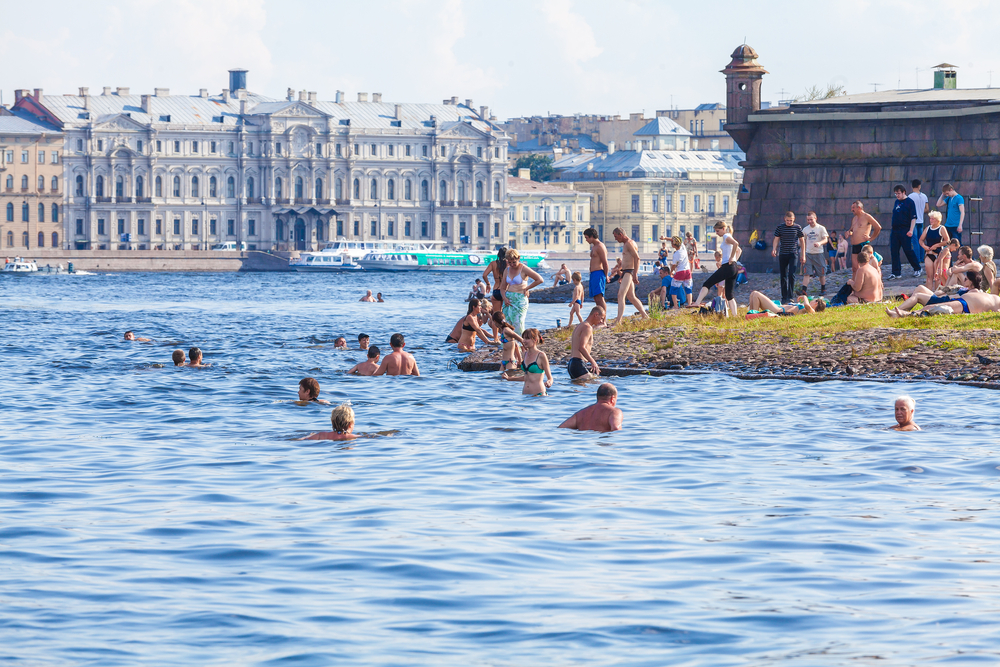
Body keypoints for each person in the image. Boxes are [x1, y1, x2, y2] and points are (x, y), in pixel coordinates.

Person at [689, 221, 742, 317]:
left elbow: (736, 244)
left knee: (707, 283)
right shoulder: (729, 235)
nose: (716, 233)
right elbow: (739, 250)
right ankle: (735, 316)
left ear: (723, 229)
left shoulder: (726, 236)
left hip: (728, 266)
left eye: (717, 231)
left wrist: (730, 259)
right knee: (729, 295)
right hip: (733, 267)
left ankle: (697, 302)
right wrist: (734, 260)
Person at [886, 272, 1000, 317]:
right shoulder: (993, 297)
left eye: (966, 279)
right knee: (930, 307)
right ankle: (902, 313)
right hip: (966, 302)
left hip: (966, 304)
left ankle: (904, 314)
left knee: (931, 308)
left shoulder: (988, 295)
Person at [610, 227, 649, 326]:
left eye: (616, 236)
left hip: (630, 272)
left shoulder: (629, 243)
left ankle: (618, 321)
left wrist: (635, 274)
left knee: (620, 295)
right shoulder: (628, 243)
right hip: (626, 272)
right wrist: (622, 275)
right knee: (631, 296)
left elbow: (637, 258)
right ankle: (645, 315)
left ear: (621, 235)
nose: (615, 239)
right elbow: (628, 260)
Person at [500, 248, 543, 335]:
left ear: (518, 258)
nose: (512, 264)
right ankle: (509, 345)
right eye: (509, 262)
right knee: (506, 324)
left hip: (520, 299)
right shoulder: (507, 270)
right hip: (508, 299)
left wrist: (527, 288)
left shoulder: (523, 269)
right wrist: (504, 298)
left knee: (518, 323)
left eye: (514, 262)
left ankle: (521, 344)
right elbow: (502, 287)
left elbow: (539, 279)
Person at [503, 328, 553, 396]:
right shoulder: (525, 354)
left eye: (527, 338)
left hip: (539, 396)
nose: (524, 341)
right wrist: (509, 379)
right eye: (523, 338)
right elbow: (527, 377)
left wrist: (549, 382)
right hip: (525, 396)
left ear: (535, 340)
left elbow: (550, 378)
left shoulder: (541, 355)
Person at [887, 184, 922, 280]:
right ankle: (896, 272)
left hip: (905, 230)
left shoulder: (910, 202)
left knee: (908, 250)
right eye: (895, 194)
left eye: (898, 193)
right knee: (894, 251)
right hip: (895, 230)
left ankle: (917, 268)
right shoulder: (896, 202)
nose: (897, 195)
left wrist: (911, 230)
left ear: (904, 192)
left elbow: (913, 218)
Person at [558, 382, 623, 432]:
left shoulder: (580, 414)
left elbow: (561, 429)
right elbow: (616, 429)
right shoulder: (614, 412)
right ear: (613, 398)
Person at [771, 211, 805, 303]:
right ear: (784, 219)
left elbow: (802, 241)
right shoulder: (780, 227)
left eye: (790, 220)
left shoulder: (797, 227)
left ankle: (790, 296)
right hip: (783, 253)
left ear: (794, 219)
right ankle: (784, 296)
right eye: (787, 220)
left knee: (791, 275)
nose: (789, 222)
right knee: (783, 276)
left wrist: (803, 255)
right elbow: (776, 239)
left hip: (793, 254)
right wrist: (774, 249)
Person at [847, 200, 882, 277]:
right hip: (855, 246)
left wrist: (871, 238)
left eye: (853, 208)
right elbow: (852, 230)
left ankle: (874, 281)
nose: (851, 210)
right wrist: (849, 233)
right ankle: (856, 286)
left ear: (859, 208)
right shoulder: (854, 219)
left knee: (867, 266)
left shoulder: (867, 216)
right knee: (855, 268)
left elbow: (878, 227)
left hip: (863, 245)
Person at [568, 306, 604, 380]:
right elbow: (581, 347)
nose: (602, 322)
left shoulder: (581, 325)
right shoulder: (587, 327)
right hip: (578, 363)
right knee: (595, 384)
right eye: (601, 318)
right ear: (596, 314)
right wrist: (593, 362)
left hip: (572, 363)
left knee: (579, 389)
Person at [919, 210, 951, 290]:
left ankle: (937, 293)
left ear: (937, 220)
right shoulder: (927, 228)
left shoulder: (941, 228)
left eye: (933, 219)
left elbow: (947, 241)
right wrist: (924, 246)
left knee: (937, 276)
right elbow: (921, 240)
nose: (931, 220)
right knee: (929, 276)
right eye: (930, 219)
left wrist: (937, 245)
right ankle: (928, 294)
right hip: (929, 253)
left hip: (938, 254)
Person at [800, 211, 830, 295]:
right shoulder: (805, 229)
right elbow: (803, 242)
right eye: (808, 220)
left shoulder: (821, 228)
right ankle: (804, 290)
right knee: (807, 273)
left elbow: (826, 239)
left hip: (818, 253)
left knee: (821, 273)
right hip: (808, 254)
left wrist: (819, 243)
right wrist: (802, 254)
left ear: (815, 218)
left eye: (811, 219)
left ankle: (823, 288)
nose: (809, 221)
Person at [584, 228, 609, 316]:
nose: (586, 240)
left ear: (592, 236)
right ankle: (600, 318)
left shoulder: (600, 246)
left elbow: (605, 263)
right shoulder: (594, 246)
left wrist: (606, 276)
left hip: (599, 273)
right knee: (596, 298)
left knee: (600, 298)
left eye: (587, 238)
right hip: (593, 274)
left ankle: (604, 320)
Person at [747, 291, 826, 316]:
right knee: (753, 294)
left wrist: (804, 297)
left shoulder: (812, 311)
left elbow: (807, 306)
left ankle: (754, 316)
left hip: (778, 310)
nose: (810, 300)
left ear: (816, 303)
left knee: (756, 294)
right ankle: (751, 314)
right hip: (778, 307)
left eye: (813, 300)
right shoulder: (806, 308)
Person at [909, 179, 930, 263]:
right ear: (919, 186)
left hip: (913, 221)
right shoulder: (924, 196)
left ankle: (916, 259)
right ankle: (922, 258)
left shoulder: (910, 196)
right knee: (921, 240)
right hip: (921, 220)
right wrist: (920, 211)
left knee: (915, 241)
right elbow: (927, 209)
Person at [482, 247, 508, 313]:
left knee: (496, 315)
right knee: (507, 315)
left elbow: (484, 275)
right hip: (506, 290)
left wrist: (488, 283)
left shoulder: (493, 263)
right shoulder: (509, 263)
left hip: (496, 290)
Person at [668, 235, 692, 307]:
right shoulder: (683, 248)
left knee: (674, 288)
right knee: (688, 288)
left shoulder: (676, 254)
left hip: (680, 272)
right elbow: (676, 240)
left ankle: (675, 306)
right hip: (687, 271)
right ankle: (690, 304)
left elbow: (674, 265)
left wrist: (671, 272)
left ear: (673, 245)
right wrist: (666, 238)